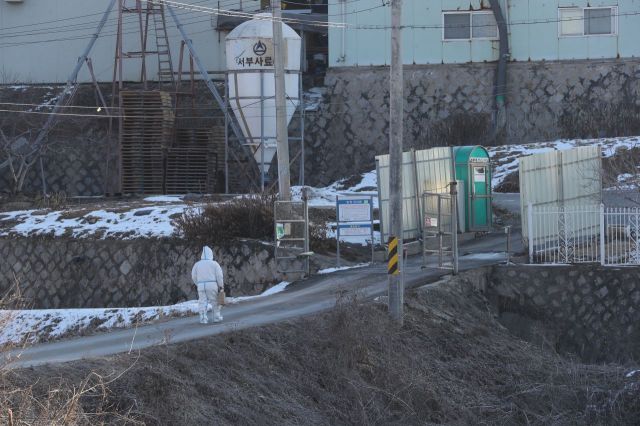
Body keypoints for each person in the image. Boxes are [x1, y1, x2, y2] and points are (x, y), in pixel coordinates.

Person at [191, 246, 224, 324]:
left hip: (201, 286)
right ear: (211, 254)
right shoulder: (214, 264)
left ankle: (203, 318)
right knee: (215, 301)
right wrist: (221, 286)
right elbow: (219, 276)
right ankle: (216, 317)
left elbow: (193, 276)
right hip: (212, 285)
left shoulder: (197, 264)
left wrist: (198, 284)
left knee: (202, 302)